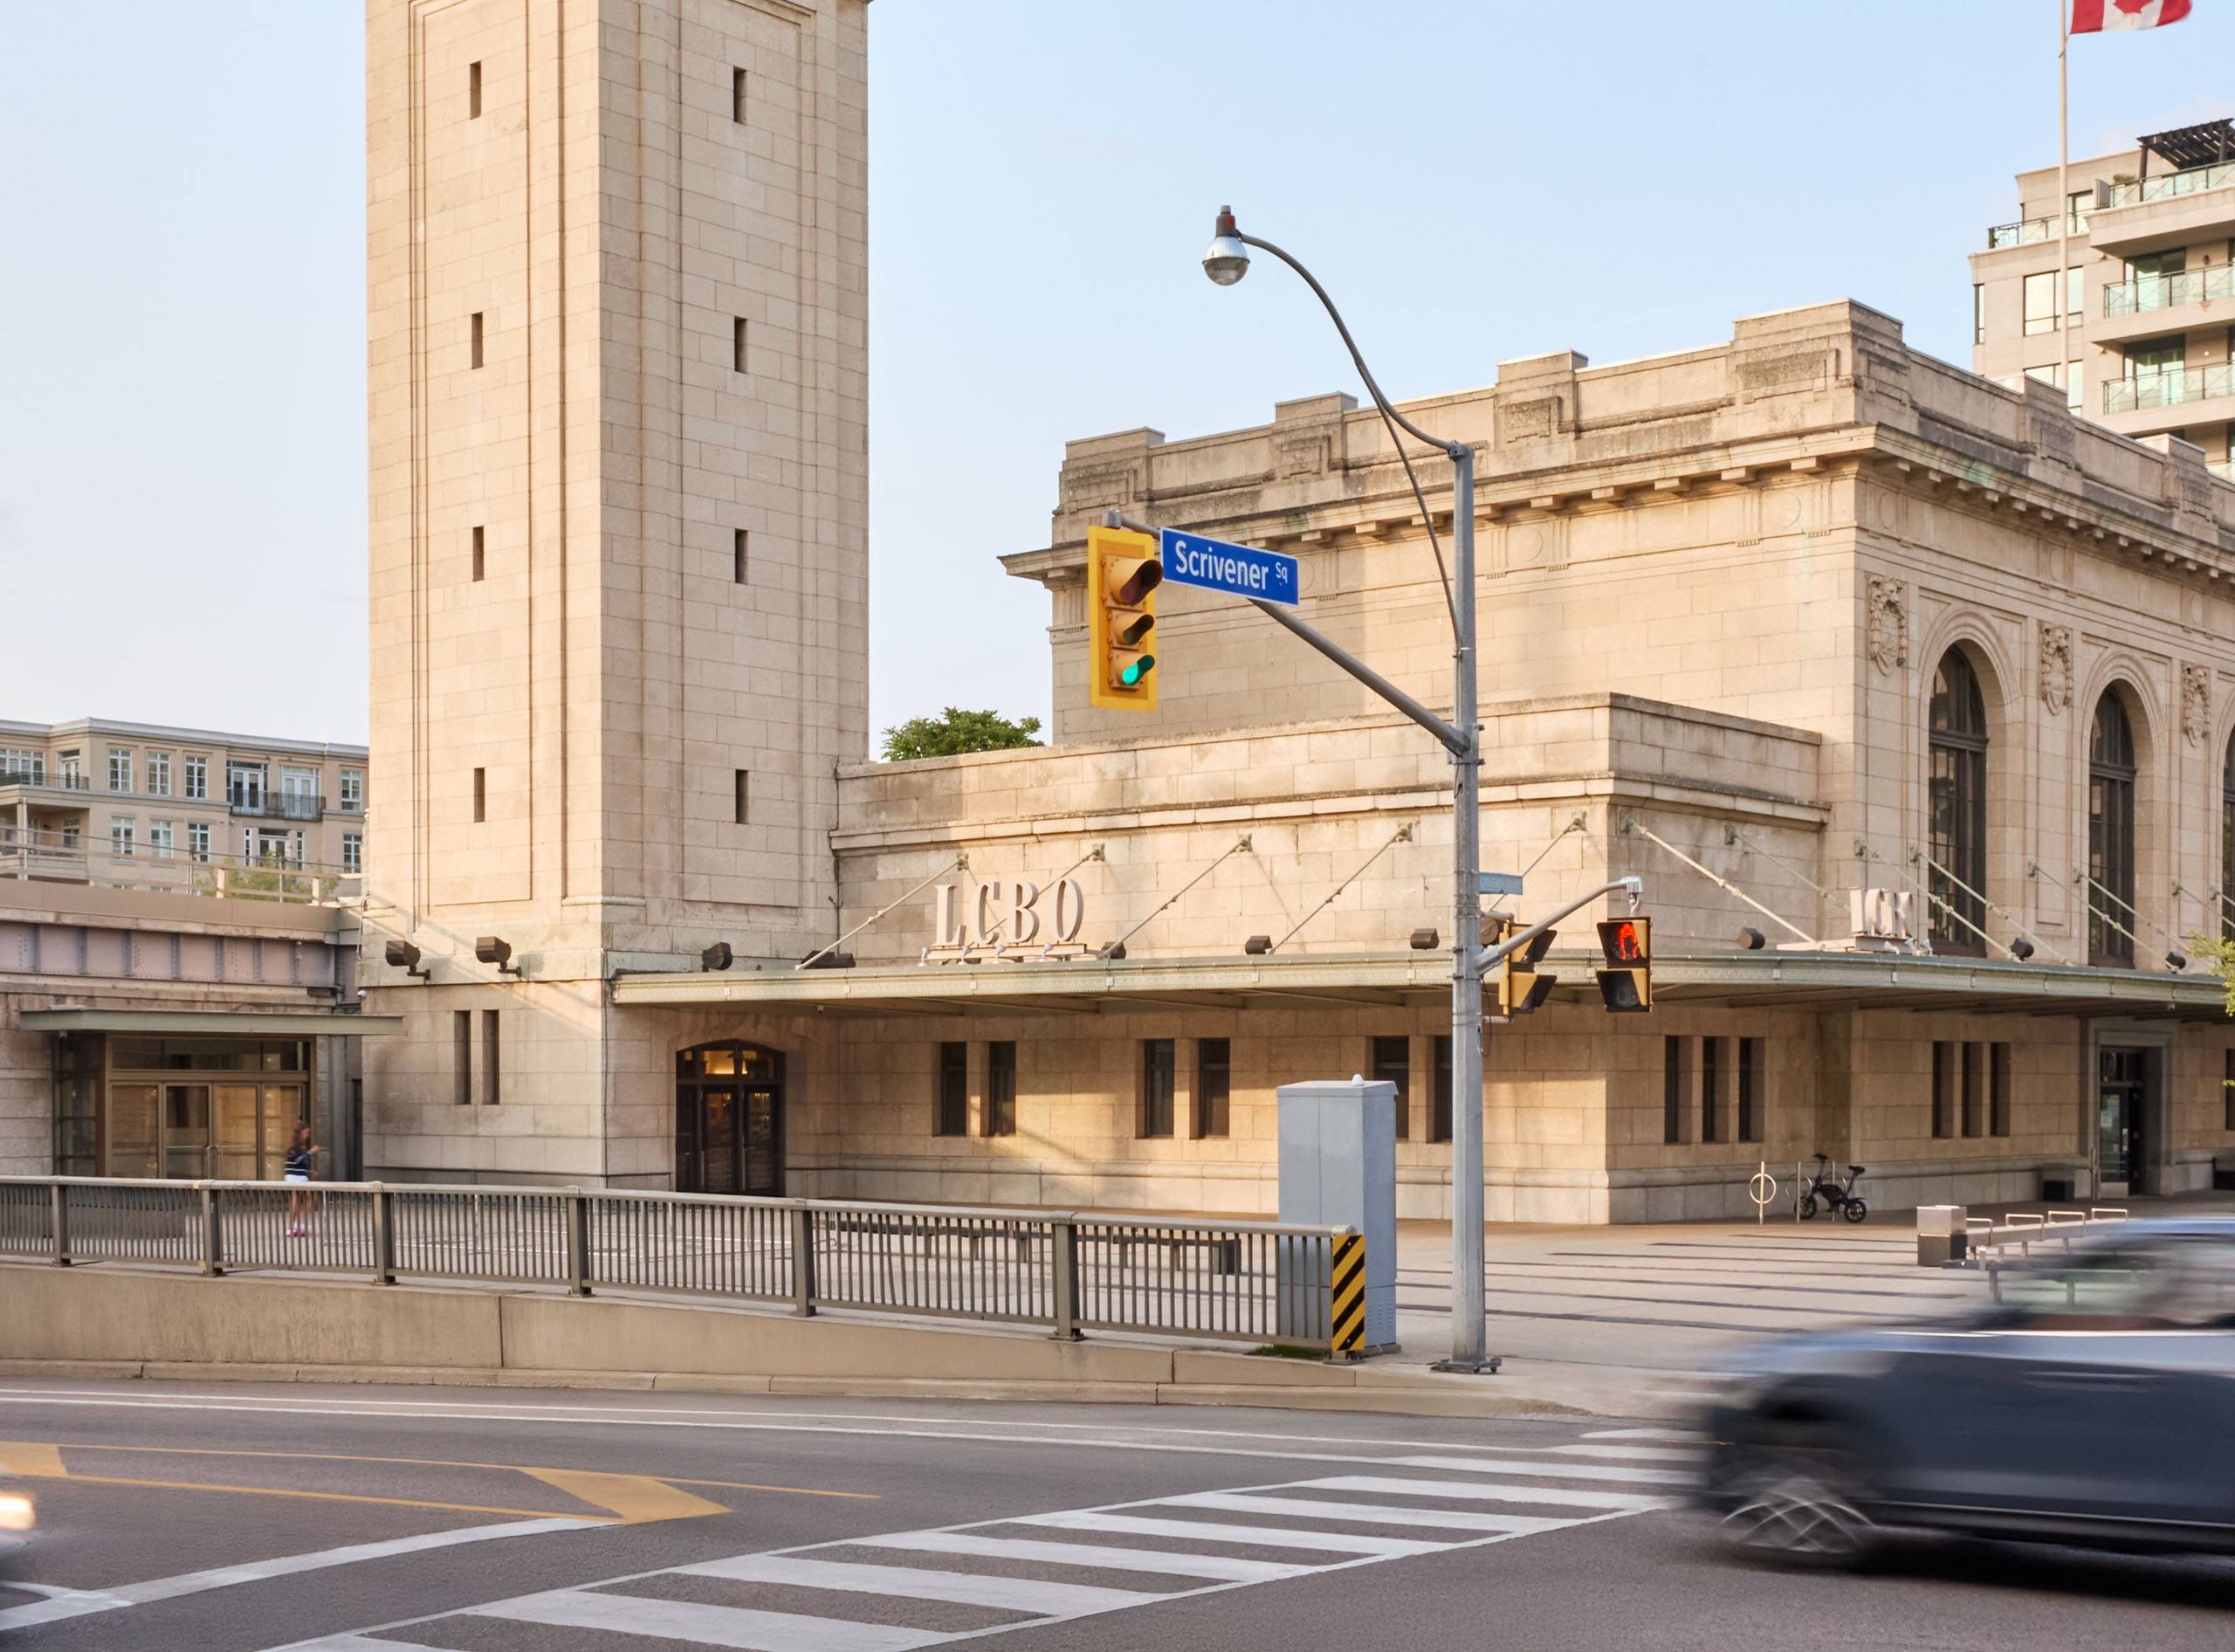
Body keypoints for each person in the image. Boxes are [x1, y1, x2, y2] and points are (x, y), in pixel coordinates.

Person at [284, 1123, 320, 1236]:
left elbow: (302, 1164)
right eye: (306, 1133)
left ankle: (302, 1224)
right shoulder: (294, 1147)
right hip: (294, 1176)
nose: (307, 1135)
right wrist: (311, 1152)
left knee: (311, 1196)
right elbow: (300, 1160)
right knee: (296, 1198)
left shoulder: (300, 1147)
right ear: (300, 1133)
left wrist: (309, 1171)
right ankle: (291, 1227)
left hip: (300, 1175)